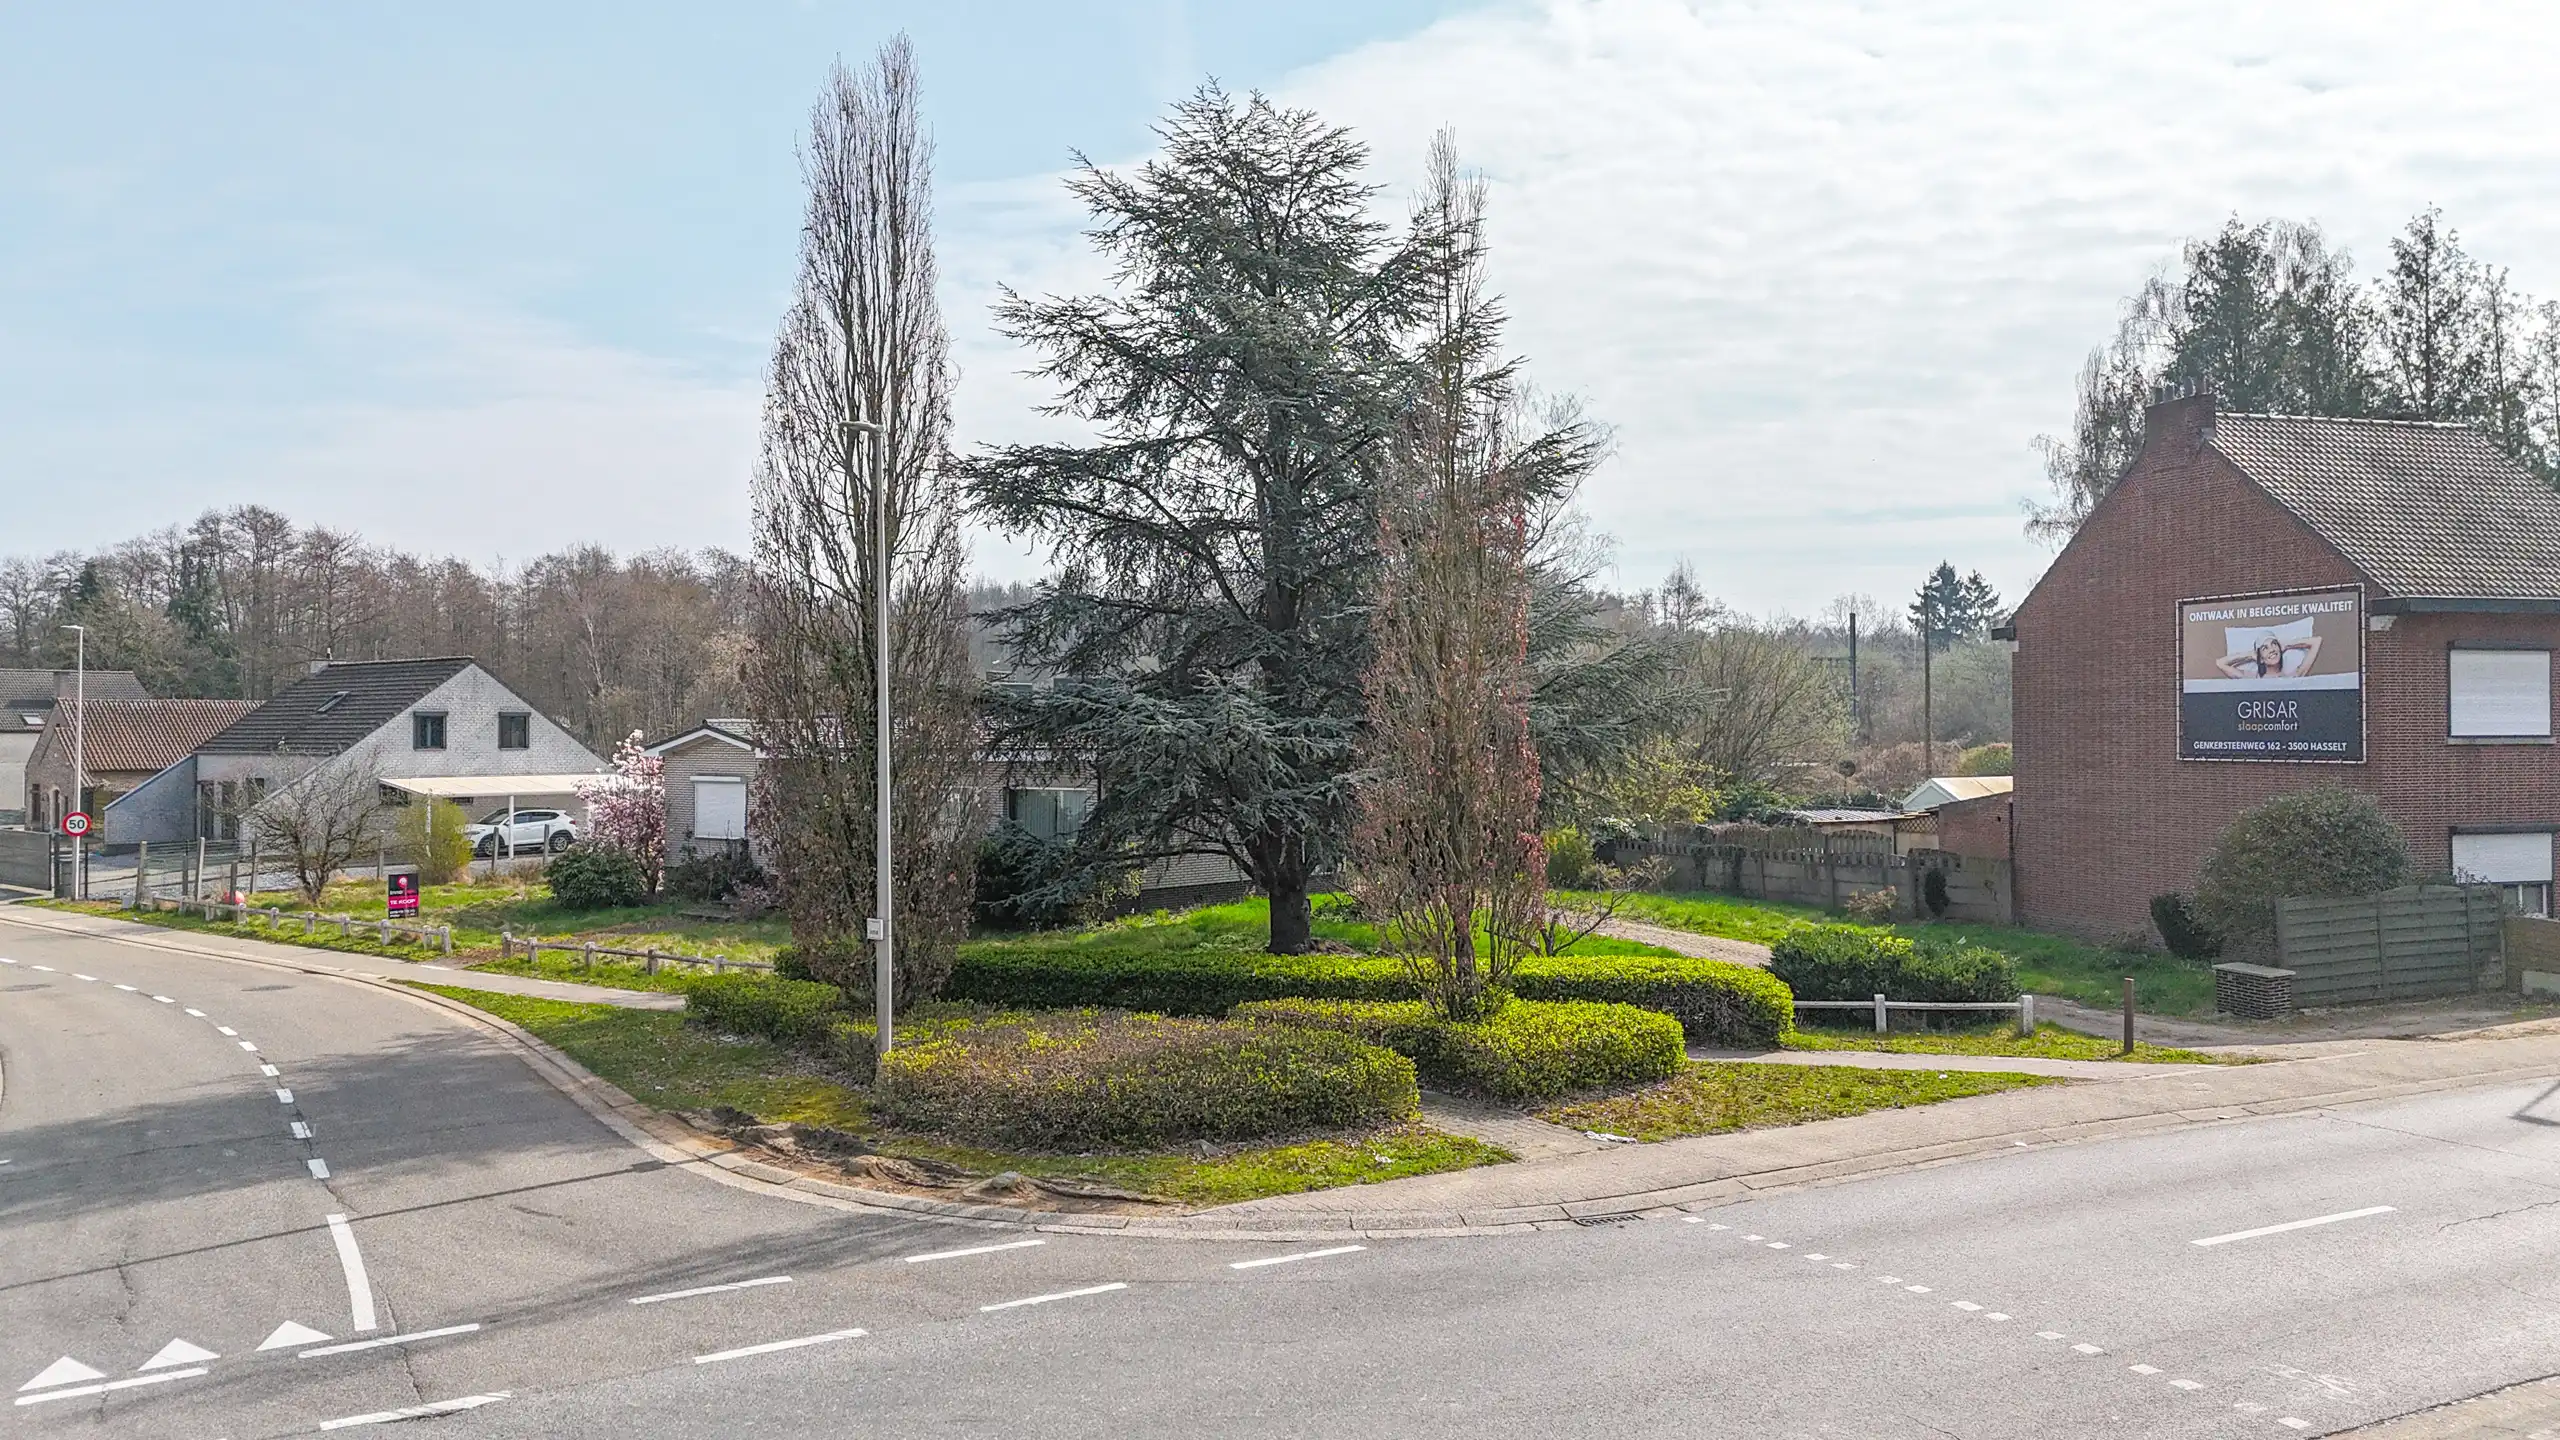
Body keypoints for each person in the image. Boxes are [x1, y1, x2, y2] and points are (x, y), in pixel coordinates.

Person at [2217, 632, 2320, 680]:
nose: (2271, 650)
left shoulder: (2293, 677)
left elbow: (2316, 641)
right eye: (2265, 648)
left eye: (2274, 644)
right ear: (2260, 658)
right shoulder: (2251, 678)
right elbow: (2221, 663)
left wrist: (2288, 645)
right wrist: (2251, 655)